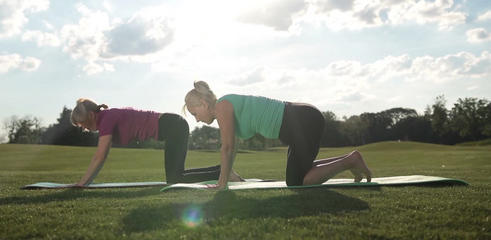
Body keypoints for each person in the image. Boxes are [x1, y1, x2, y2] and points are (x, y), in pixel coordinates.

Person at [183, 81, 372, 189]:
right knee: (301, 172)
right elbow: (233, 149)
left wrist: (221, 184)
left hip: (304, 121)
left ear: (204, 104)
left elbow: (227, 147)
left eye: (194, 114)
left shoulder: (222, 106)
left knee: (296, 182)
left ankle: (351, 161)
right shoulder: (225, 107)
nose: (197, 120)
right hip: (301, 120)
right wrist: (227, 176)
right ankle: (349, 159)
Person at [69, 98, 243, 186]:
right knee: (177, 175)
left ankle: (224, 173)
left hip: (173, 126)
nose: (83, 128)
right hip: (174, 125)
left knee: (175, 179)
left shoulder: (106, 119)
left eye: (82, 123)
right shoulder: (106, 118)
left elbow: (100, 156)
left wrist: (82, 183)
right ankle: (222, 170)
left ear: (91, 115)